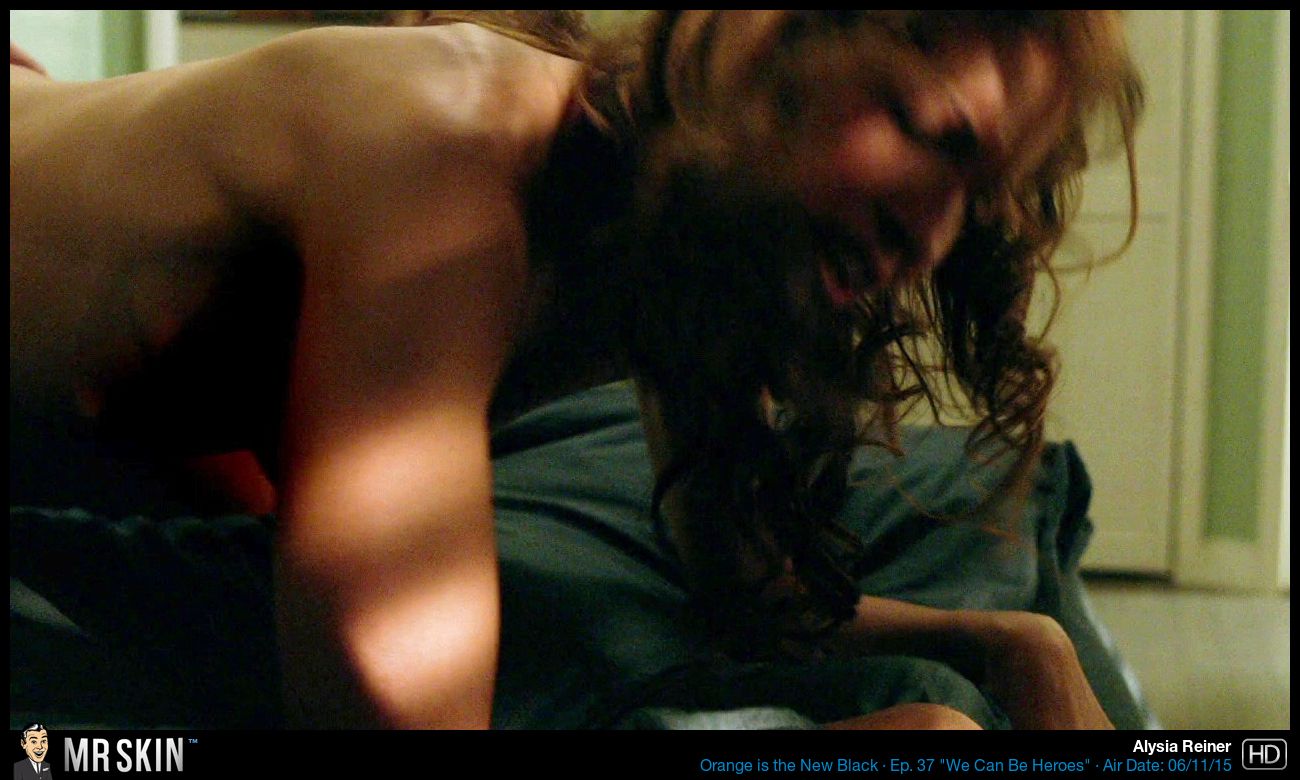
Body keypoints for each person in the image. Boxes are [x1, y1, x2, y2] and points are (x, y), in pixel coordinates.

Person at [10, 11, 1142, 729]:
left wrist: (1000, 643)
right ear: (772, 34)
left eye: (975, 196)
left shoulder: (671, 231)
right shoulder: (449, 154)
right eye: (927, 131)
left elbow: (747, 589)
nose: (931, 238)